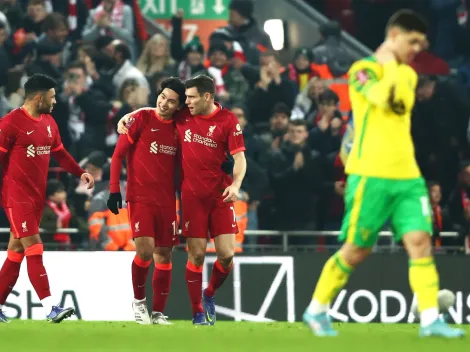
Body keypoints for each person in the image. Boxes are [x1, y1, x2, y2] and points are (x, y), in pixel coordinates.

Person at [303, 10, 465, 338]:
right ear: (394, 37)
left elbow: (396, 102)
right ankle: (316, 309)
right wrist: (387, 61)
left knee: (420, 242)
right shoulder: (362, 70)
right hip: (370, 174)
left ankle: (430, 318)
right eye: (413, 40)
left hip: (407, 176)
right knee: (357, 249)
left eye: (422, 42)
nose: (418, 48)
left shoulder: (406, 75)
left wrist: (392, 64)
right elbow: (379, 96)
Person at [117, 75, 246, 326]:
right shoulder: (184, 114)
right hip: (191, 197)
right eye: (185, 98)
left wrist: (236, 184)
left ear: (207, 96)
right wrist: (131, 115)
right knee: (196, 256)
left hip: (220, 195)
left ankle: (209, 294)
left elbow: (239, 157)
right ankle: (198, 311)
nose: (186, 102)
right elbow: (158, 109)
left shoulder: (228, 120)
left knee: (226, 255)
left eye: (191, 97)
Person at [0, 74, 94, 323]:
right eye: (52, 97)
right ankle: (50, 307)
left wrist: (80, 172)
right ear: (39, 97)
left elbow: (60, 154)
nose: (55, 102)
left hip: (36, 197)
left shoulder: (49, 122)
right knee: (35, 246)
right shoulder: (10, 123)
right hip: (16, 196)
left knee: (16, 251)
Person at [107, 78, 186, 325]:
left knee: (164, 254)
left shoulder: (180, 128)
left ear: (179, 106)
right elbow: (118, 156)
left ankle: (158, 313)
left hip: (166, 200)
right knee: (144, 251)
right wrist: (114, 191)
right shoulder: (141, 119)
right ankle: (139, 302)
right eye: (162, 97)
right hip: (139, 196)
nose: (164, 103)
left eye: (171, 101)